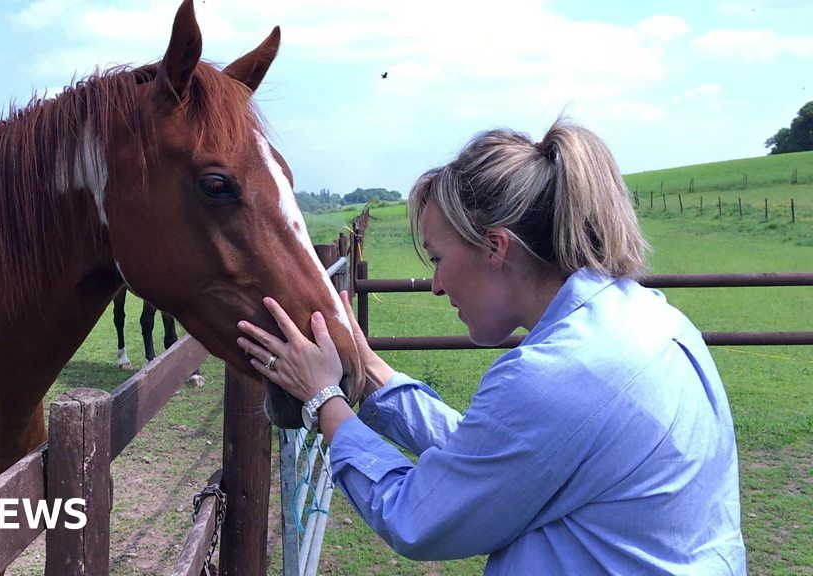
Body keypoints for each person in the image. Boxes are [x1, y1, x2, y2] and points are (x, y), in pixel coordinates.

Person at [236, 119, 746, 574]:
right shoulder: (649, 318)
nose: (435, 285)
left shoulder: (556, 375)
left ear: (495, 247)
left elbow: (416, 515)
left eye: (437, 258)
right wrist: (372, 373)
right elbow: (500, 451)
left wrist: (326, 402)